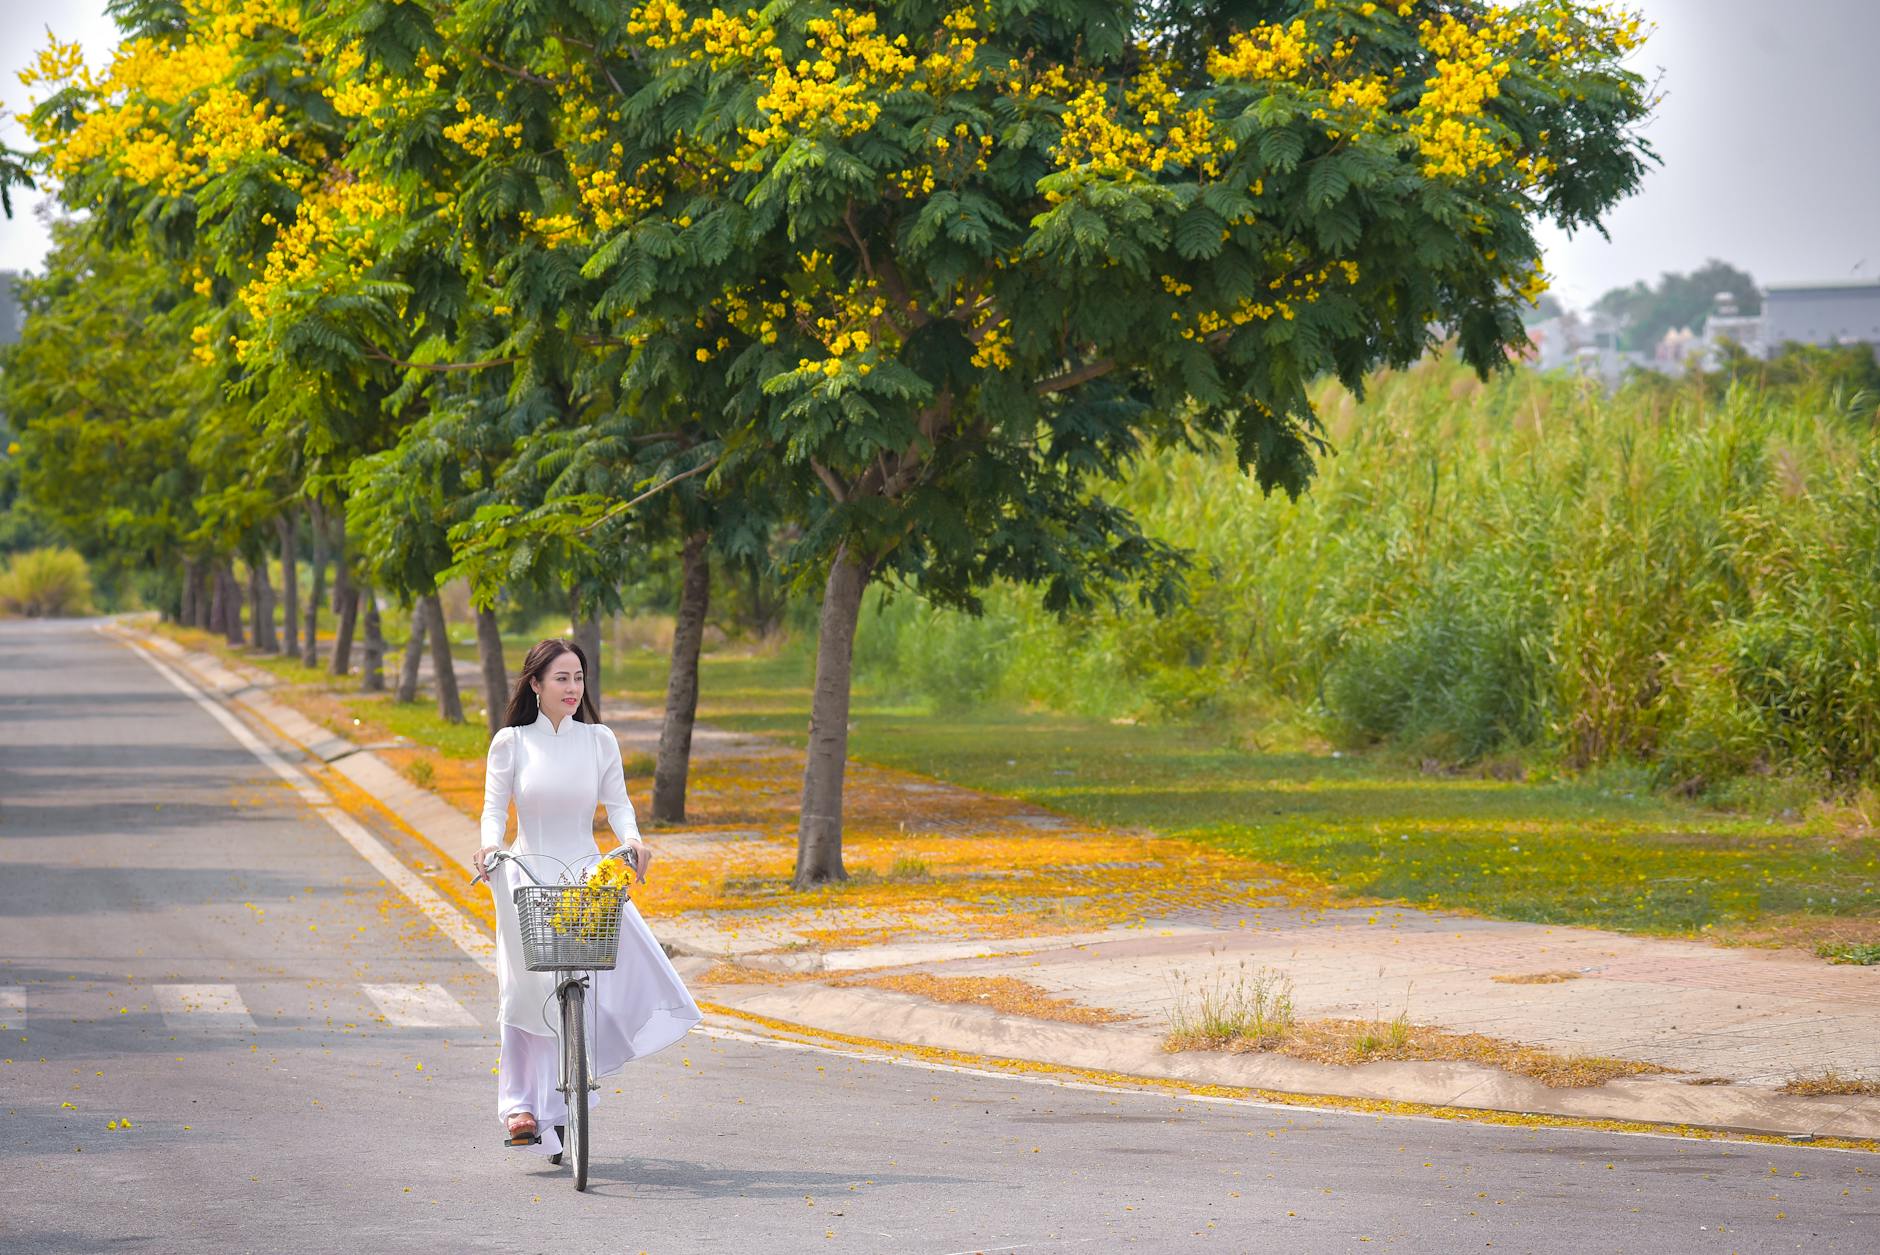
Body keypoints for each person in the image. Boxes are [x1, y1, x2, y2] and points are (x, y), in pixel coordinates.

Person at [475, 637, 701, 1154]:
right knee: (524, 990)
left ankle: (568, 1088)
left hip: (583, 872)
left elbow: (618, 804)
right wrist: (490, 847)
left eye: (578, 678)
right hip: (525, 873)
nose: (572, 688)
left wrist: (633, 841)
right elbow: (494, 809)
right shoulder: (511, 742)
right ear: (536, 684)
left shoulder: (599, 740)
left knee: (605, 964)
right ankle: (520, 1105)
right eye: (561, 678)